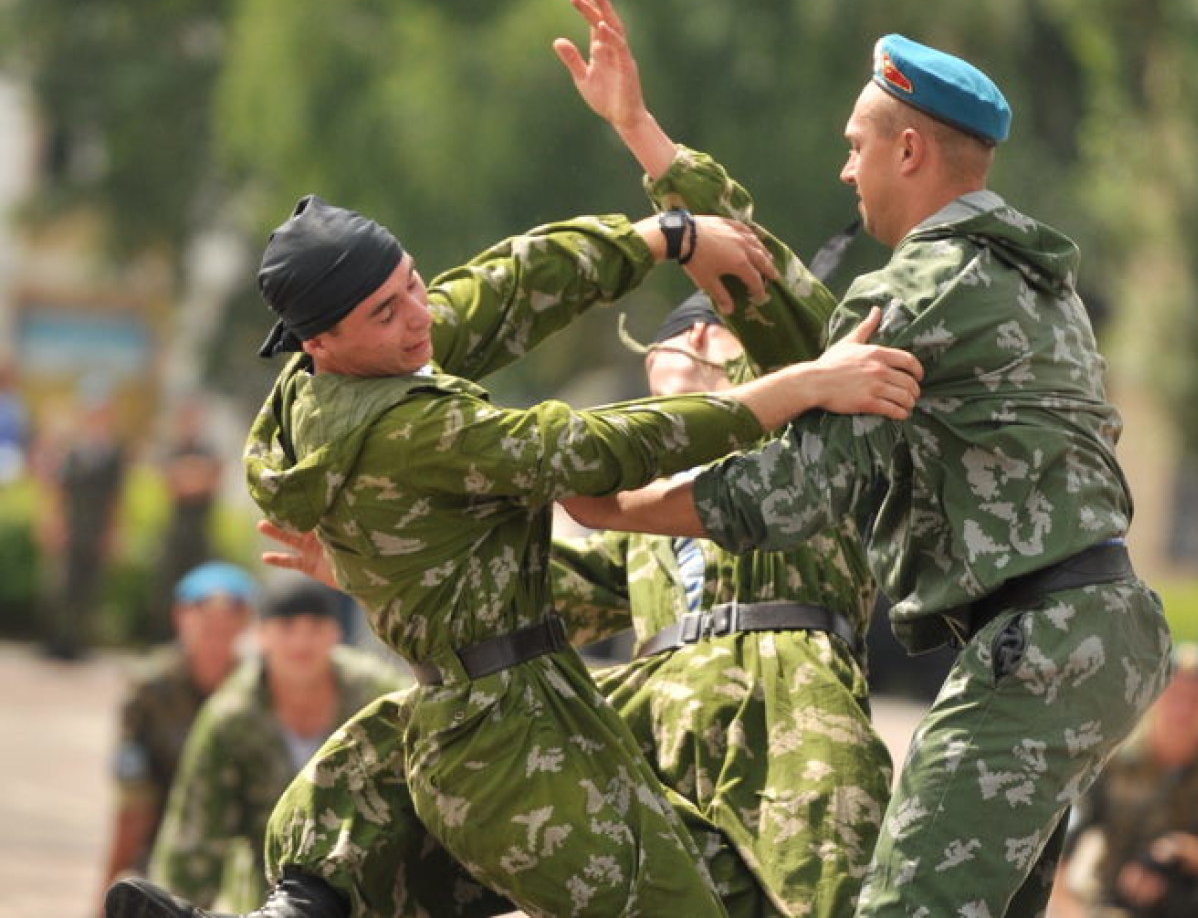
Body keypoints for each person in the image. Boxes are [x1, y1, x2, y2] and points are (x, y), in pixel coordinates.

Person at [106, 186, 922, 918]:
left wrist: (661, 236)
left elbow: (502, 290)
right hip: (516, 739)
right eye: (386, 313)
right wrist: (804, 385)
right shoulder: (407, 426)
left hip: (497, 715)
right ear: (318, 343)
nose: (419, 316)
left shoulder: (344, 376)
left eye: (412, 285)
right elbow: (591, 447)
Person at [554, 0, 1172, 918]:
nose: (847, 172)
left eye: (856, 146)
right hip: (1100, 632)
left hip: (1038, 641)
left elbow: (796, 486)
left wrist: (623, 505)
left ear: (909, 150)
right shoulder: (1029, 280)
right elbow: (779, 289)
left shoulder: (917, 286)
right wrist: (645, 135)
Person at [545, 291, 896, 917]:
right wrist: (375, 566)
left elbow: (763, 305)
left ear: (704, 337)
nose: (654, 404)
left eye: (661, 355)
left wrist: (684, 215)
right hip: (661, 714)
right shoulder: (637, 516)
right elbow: (544, 591)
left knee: (828, 896)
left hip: (785, 698)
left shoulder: (802, 435)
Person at [149, 577, 407, 912]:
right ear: (261, 636)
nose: (302, 641)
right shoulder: (232, 718)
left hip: (380, 884)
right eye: (287, 626)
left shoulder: (380, 697)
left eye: (315, 626)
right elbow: (194, 837)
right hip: (271, 894)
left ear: (335, 634)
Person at [1050, 643, 1198, 918]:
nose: (1183, 710)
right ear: (1153, 698)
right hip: (1117, 902)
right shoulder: (1112, 760)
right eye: (1175, 696)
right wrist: (1075, 914)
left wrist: (1188, 852)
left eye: (1195, 698)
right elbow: (1059, 855)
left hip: (1194, 905)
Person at [99, 562, 256, 909]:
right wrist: (109, 885)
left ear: (246, 622)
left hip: (243, 850)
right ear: (180, 616)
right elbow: (133, 798)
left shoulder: (259, 686)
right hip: (164, 844)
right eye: (204, 620)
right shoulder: (149, 690)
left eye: (228, 621)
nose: (216, 632)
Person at [41, 392, 127, 659]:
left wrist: (113, 532)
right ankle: (56, 641)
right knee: (61, 585)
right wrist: (55, 522)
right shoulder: (74, 451)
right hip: (73, 525)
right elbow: (59, 490)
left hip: (96, 527)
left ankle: (78, 643)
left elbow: (116, 498)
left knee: (89, 587)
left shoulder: (113, 454)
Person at [148, 396, 225, 642]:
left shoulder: (209, 449)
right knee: (168, 590)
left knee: (202, 590)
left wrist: (188, 473)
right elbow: (172, 483)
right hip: (175, 532)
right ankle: (165, 639)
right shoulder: (171, 450)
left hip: (201, 532)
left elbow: (210, 480)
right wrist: (194, 473)